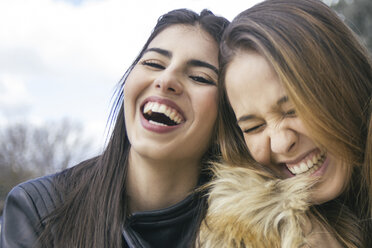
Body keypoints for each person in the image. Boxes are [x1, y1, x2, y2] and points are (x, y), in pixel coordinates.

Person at [1, 9, 229, 248]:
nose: (166, 80)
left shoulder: (256, 228)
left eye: (200, 77)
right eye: (153, 63)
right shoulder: (39, 210)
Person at [198, 0, 372, 247]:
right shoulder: (253, 233)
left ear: (344, 81)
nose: (281, 143)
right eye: (253, 127)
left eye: (293, 109)